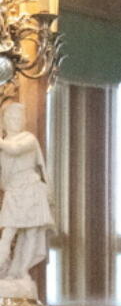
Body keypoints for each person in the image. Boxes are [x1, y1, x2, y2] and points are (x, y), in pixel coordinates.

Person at [0, 101, 54, 294]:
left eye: (18, 117)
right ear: (4, 121)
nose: (15, 121)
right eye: (11, 117)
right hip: (14, 192)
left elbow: (15, 149)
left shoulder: (28, 138)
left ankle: (21, 271)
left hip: (31, 190)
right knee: (8, 232)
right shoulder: (4, 143)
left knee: (31, 232)